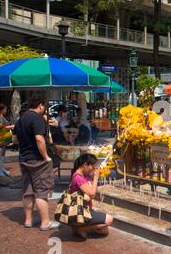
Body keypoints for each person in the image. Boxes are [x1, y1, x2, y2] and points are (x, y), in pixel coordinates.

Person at [12, 94, 60, 230]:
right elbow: (39, 139)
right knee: (41, 191)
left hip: (24, 158)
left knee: (28, 191)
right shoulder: (37, 118)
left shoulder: (21, 119)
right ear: (40, 105)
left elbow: (14, 140)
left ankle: (28, 220)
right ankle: (45, 222)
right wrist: (46, 157)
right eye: (44, 106)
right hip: (38, 160)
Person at [70, 153, 113, 239]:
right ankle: (80, 228)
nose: (93, 169)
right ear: (85, 164)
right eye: (92, 167)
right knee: (109, 220)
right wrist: (96, 178)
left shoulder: (84, 175)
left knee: (105, 231)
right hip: (80, 211)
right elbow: (92, 193)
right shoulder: (78, 178)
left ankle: (81, 227)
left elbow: (91, 193)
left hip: (86, 208)